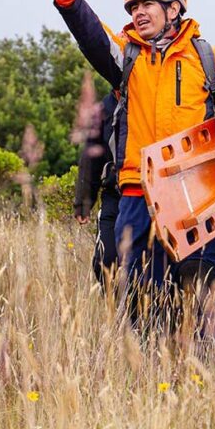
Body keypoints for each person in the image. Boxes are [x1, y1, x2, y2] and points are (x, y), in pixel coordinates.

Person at [43, 0, 215, 342]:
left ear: (174, 9)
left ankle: (209, 379)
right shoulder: (127, 55)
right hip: (136, 191)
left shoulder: (205, 58)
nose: (138, 13)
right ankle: (151, 376)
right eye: (133, 7)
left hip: (196, 191)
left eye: (147, 5)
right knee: (143, 289)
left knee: (202, 286)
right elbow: (93, 37)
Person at [72, 91, 121, 291]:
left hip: (149, 198)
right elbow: (91, 157)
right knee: (105, 261)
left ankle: (144, 314)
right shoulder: (104, 109)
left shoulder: (149, 101)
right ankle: (116, 309)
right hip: (114, 195)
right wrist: (83, 202)